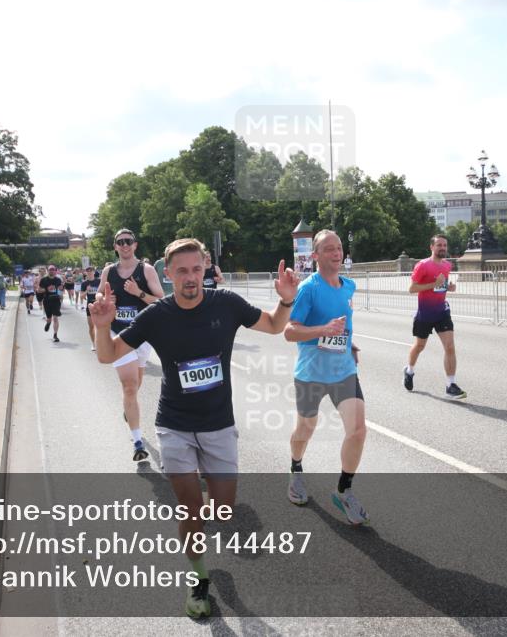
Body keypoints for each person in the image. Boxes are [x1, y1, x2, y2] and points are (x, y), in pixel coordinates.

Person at [92, 237, 298, 618]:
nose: (191, 277)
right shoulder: (156, 315)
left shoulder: (227, 304)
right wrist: (102, 325)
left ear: (205, 268)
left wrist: (285, 301)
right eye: (182, 271)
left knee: (222, 510)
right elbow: (107, 355)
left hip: (219, 425)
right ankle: (199, 578)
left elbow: (272, 326)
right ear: (168, 274)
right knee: (191, 511)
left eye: (197, 269)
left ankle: (201, 516)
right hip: (175, 426)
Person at [283, 230, 368, 524]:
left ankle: (344, 491)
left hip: (344, 370)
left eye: (339, 247)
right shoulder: (309, 289)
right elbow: (290, 331)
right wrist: (324, 330)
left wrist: (348, 342)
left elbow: (343, 326)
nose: (336, 253)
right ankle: (296, 469)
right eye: (329, 249)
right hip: (311, 375)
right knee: (306, 429)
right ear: (315, 256)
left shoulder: (349, 286)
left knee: (357, 430)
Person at [97, 229, 165, 461]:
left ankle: (129, 410)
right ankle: (137, 442)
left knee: (135, 387)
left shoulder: (145, 270)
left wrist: (139, 292)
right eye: (120, 242)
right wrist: (105, 300)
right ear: (115, 246)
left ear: (135, 245)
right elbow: (97, 296)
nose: (125, 245)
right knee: (129, 386)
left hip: (143, 334)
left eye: (128, 242)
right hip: (120, 334)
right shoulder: (109, 271)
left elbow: (161, 301)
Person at [403, 235, 466, 399]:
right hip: (425, 313)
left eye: (445, 245)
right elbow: (412, 288)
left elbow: (442, 285)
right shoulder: (422, 265)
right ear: (432, 247)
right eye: (439, 245)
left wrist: (448, 287)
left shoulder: (447, 265)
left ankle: (450, 385)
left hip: (442, 312)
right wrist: (434, 284)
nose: (443, 248)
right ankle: (409, 370)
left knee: (450, 347)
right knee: (419, 346)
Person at [39, 265, 63, 342]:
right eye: (50, 270)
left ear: (55, 271)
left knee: (55, 318)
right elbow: (39, 290)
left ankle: (55, 335)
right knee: (49, 318)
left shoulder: (58, 279)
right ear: (48, 271)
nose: (51, 271)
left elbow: (61, 289)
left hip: (56, 300)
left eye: (53, 270)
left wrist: (62, 287)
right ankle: (48, 323)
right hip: (47, 300)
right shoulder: (44, 280)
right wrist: (47, 289)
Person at [79, 266, 101, 351]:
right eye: (88, 271)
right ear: (86, 273)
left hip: (99, 305)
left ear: (94, 272)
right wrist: (86, 291)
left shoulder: (99, 281)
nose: (89, 272)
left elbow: (103, 292)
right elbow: (81, 296)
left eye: (91, 270)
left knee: (99, 326)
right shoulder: (84, 283)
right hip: (90, 305)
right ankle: (94, 344)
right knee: (91, 326)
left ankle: (101, 342)